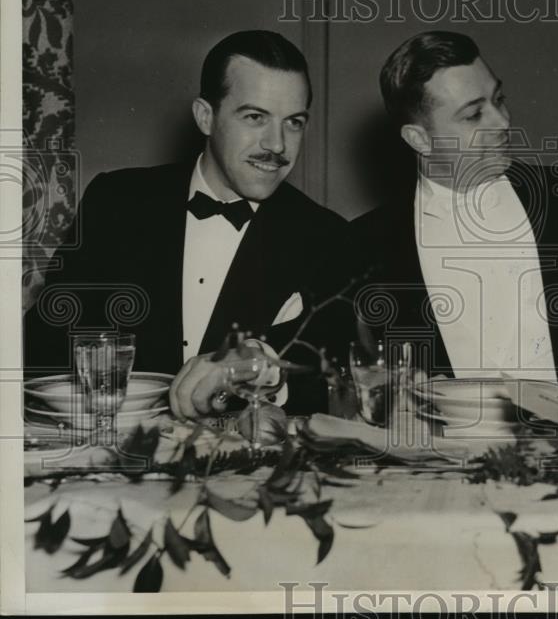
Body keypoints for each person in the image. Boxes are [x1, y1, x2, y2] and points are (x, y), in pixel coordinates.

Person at [347, 31, 558, 413]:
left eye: (499, 99)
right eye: (474, 114)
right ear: (419, 139)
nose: (503, 120)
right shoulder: (363, 247)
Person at [24, 30, 350, 416]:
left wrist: (262, 369)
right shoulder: (117, 201)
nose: (277, 144)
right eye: (255, 117)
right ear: (205, 117)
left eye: (293, 122)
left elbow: (332, 379)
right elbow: (45, 341)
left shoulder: (326, 235)